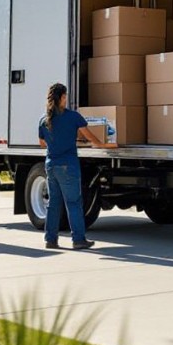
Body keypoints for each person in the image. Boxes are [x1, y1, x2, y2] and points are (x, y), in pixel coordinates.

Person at [37, 82, 113, 250]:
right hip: (68, 166)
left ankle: (51, 240)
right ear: (62, 97)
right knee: (73, 202)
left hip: (51, 165)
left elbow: (42, 143)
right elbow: (91, 138)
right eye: (65, 96)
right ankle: (78, 239)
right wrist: (105, 145)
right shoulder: (73, 117)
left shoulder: (44, 120)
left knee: (54, 203)